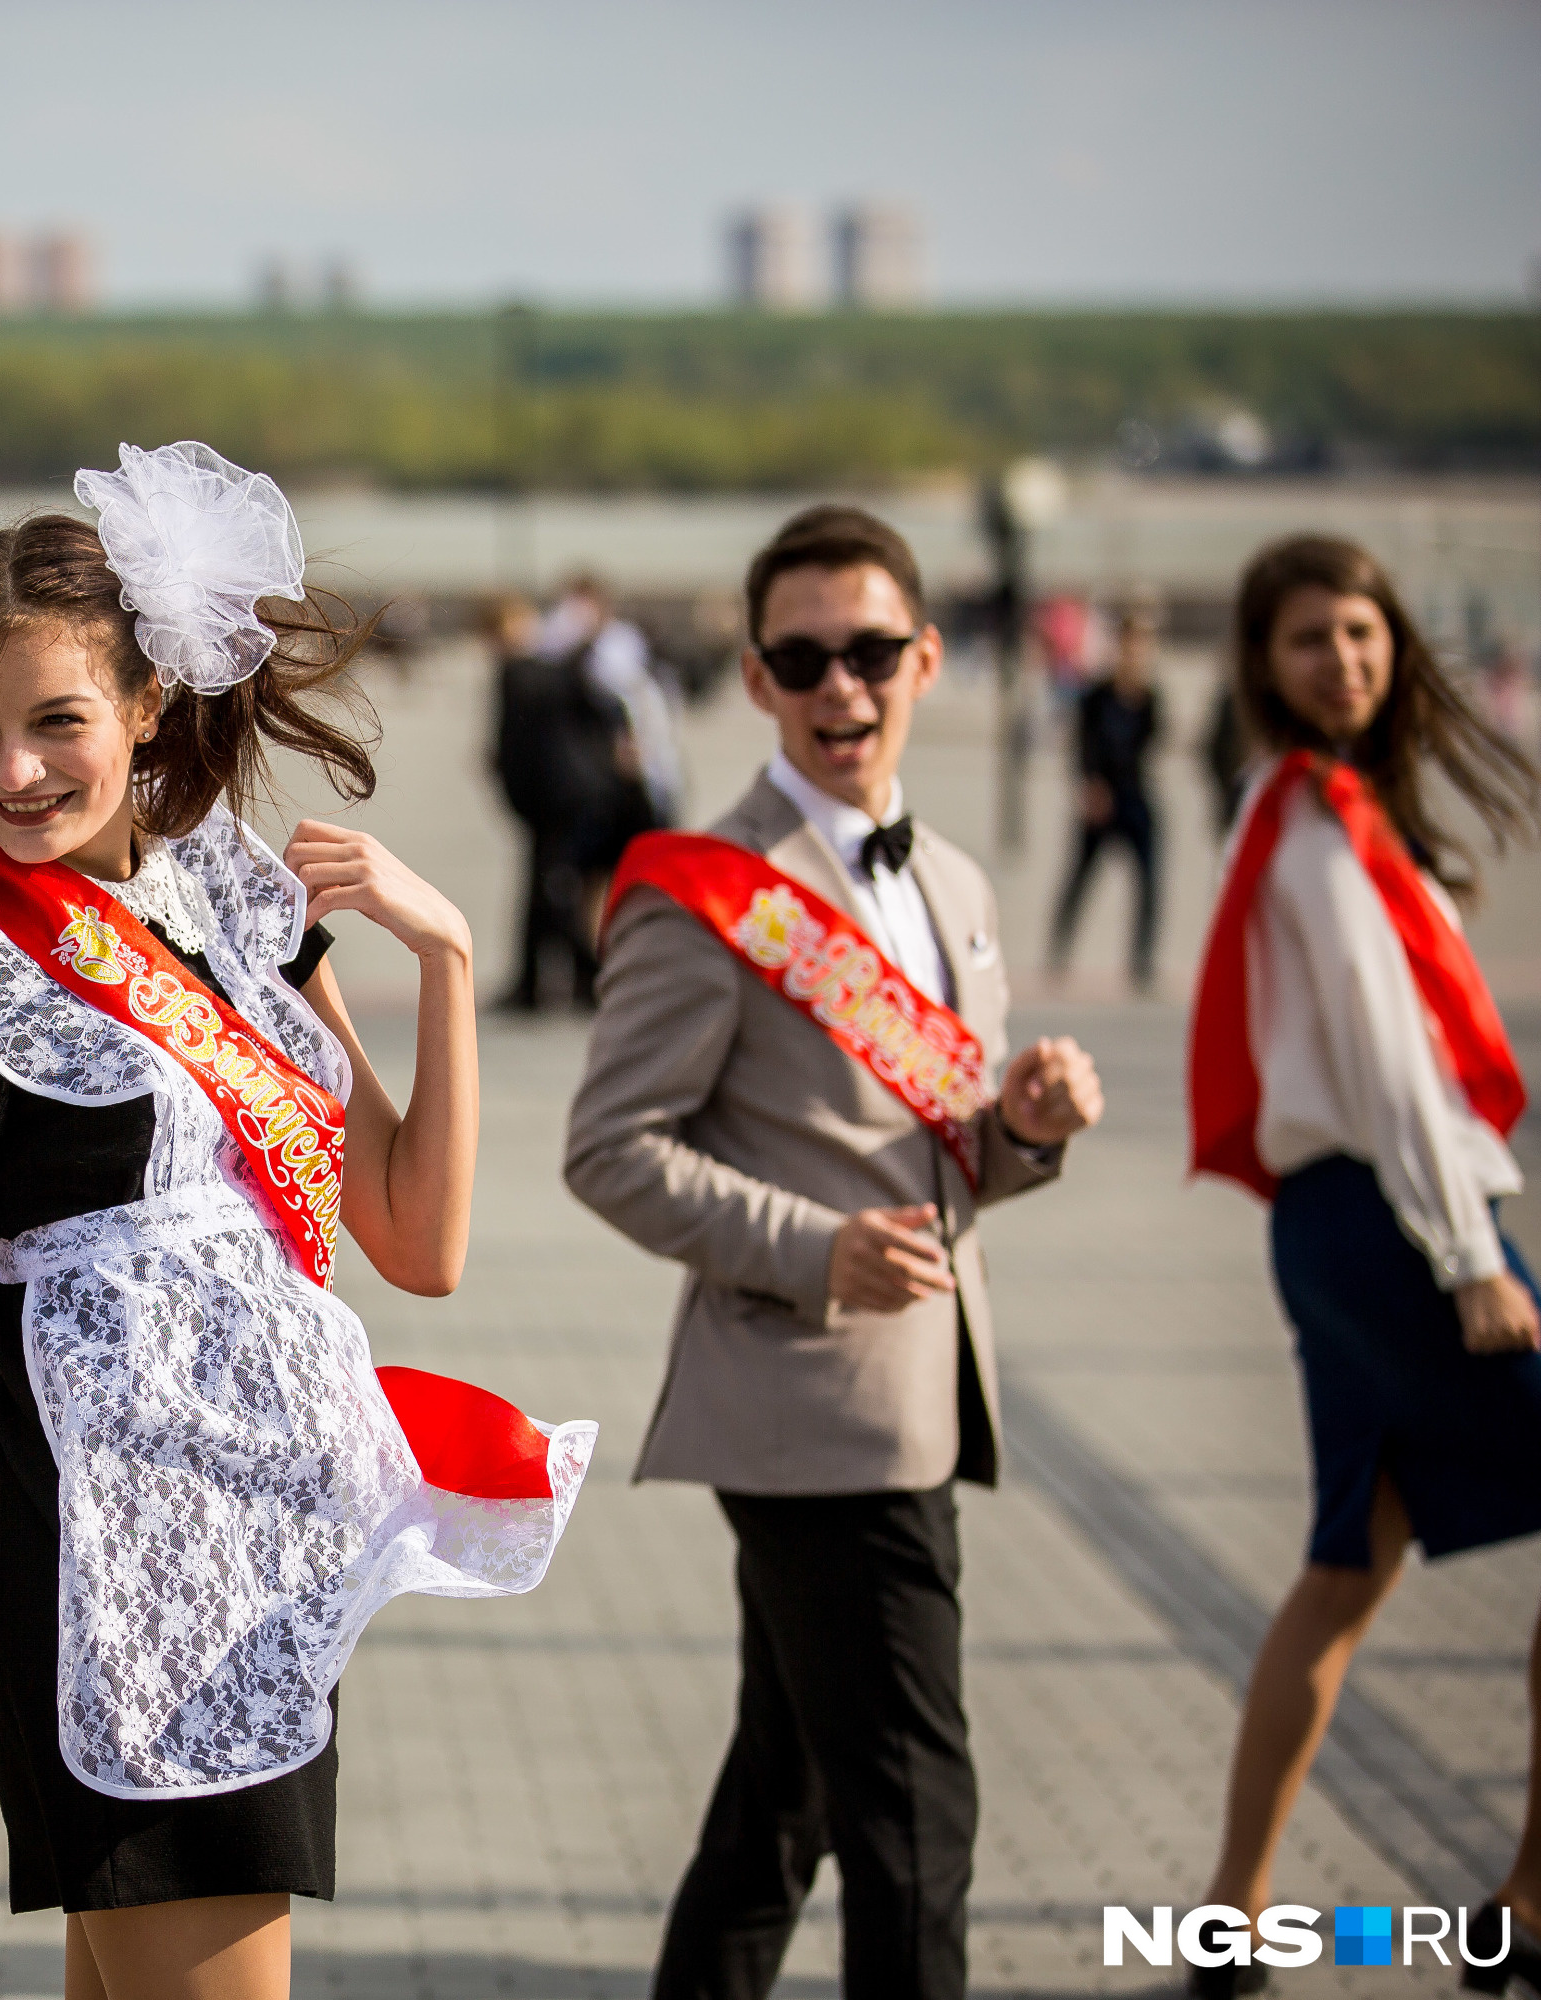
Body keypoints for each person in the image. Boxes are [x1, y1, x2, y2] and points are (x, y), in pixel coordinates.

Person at [0, 444, 595, 1998]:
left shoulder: (230, 908)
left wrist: (443, 960)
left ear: (150, 704)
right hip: (119, 1584)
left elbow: (416, 1241)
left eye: (58, 723)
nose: (11, 772)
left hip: (260, 1572)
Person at [564, 504, 1103, 2000]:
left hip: (923, 1386)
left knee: (784, 1803)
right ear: (755, 678)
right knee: (919, 1820)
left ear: (927, 658)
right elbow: (608, 1151)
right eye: (803, 659)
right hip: (810, 1411)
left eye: (871, 652)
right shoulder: (704, 888)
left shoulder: (962, 889)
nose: (840, 688)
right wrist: (816, 1252)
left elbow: (954, 1161)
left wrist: (1031, 1127)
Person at [1184, 535, 1541, 2000]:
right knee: (1346, 1569)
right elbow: (1395, 1070)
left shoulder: (1312, 809)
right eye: (1309, 639)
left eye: (1362, 632)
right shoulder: (1318, 823)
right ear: (1263, 666)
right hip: (1396, 1221)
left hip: (1336, 1226)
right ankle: (1525, 1898)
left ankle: (1236, 1916)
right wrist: (1471, 1255)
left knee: (1347, 1567)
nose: (1344, 659)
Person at [489, 594, 647, 1012]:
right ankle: (570, 980)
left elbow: (511, 746)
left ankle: (562, 980)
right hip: (570, 799)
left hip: (559, 801)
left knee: (555, 888)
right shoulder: (558, 672)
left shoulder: (527, 673)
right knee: (560, 887)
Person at [1049, 604, 1165, 989]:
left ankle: (1141, 961)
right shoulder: (1097, 695)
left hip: (1135, 795)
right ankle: (1059, 950)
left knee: (1148, 880)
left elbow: (1156, 742)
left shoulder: (1149, 696)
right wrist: (1089, 785)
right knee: (1081, 877)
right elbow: (1082, 745)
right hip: (1101, 796)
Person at [543, 572, 682, 826]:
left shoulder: (624, 641)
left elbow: (641, 698)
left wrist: (640, 743)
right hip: (590, 769)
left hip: (639, 759)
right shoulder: (561, 644)